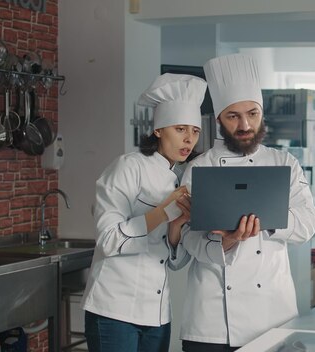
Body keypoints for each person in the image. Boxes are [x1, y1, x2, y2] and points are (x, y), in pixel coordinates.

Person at [177, 53, 315, 351]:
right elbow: (188, 239)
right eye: (233, 116)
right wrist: (226, 243)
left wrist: (266, 220)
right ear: (218, 119)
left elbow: (308, 224)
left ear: (261, 114)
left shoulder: (284, 162)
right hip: (213, 323)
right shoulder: (199, 168)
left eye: (252, 114)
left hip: (273, 316)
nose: (245, 124)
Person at [81, 73, 207, 352]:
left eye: (195, 131)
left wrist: (177, 226)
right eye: (180, 129)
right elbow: (109, 240)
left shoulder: (179, 177)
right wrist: (163, 212)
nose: (189, 139)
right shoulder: (127, 167)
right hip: (114, 310)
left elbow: (173, 262)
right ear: (159, 130)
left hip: (157, 314)